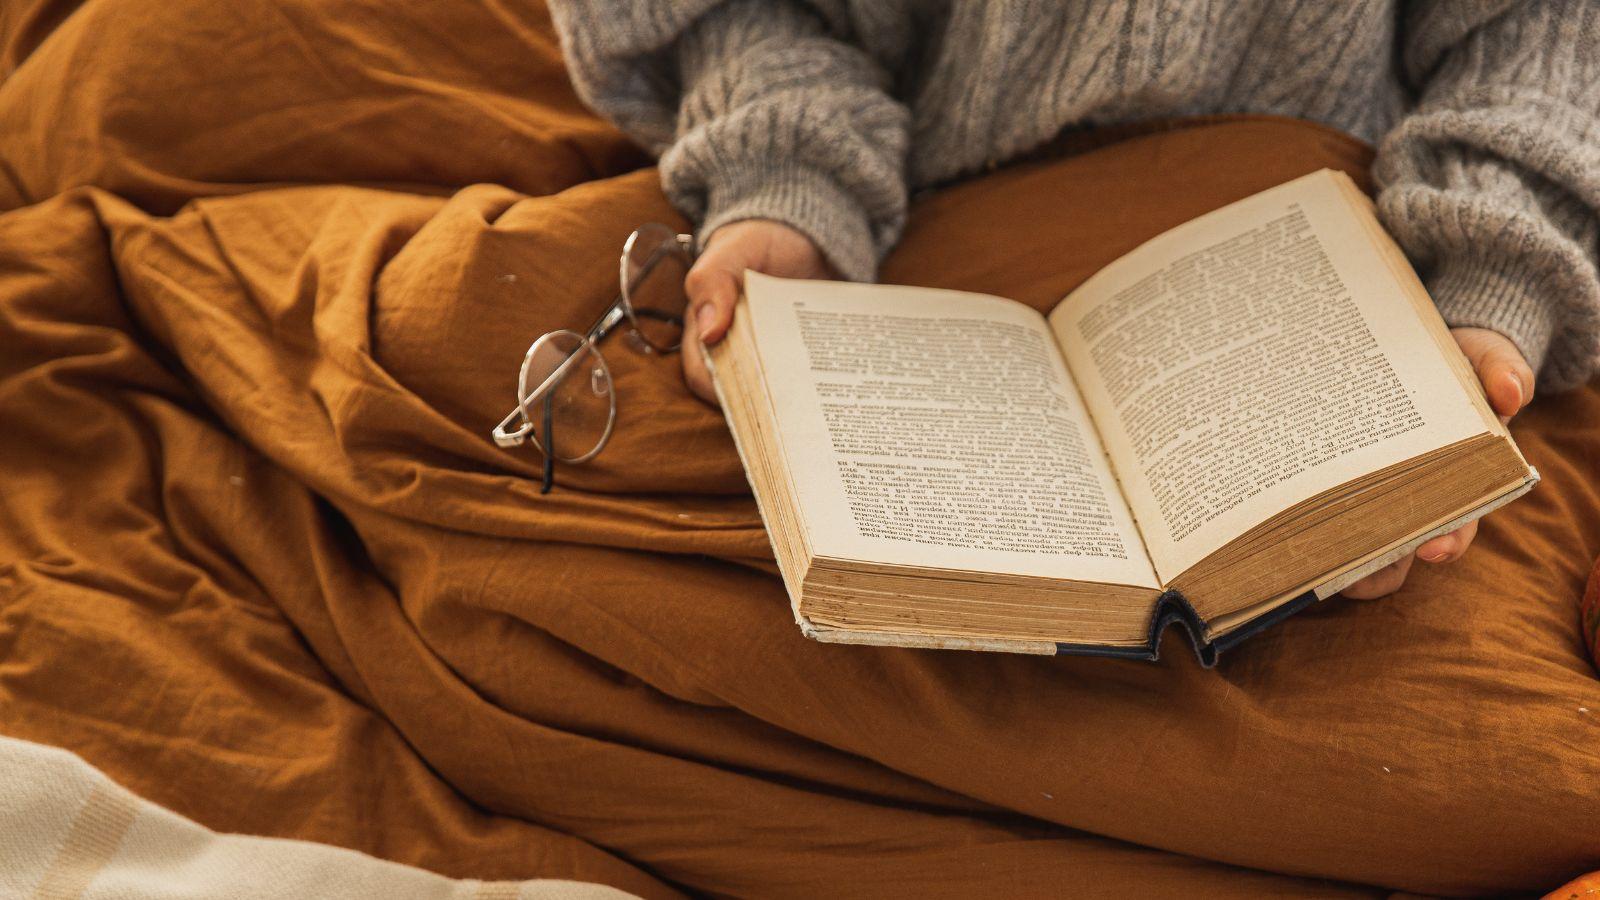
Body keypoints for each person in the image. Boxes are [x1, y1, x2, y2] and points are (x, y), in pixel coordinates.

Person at [546, 1, 1600, 598]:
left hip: (1354, 258)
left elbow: (1549, 39)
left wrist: (1494, 274)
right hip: (911, 219)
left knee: (1485, 774)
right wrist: (786, 172)